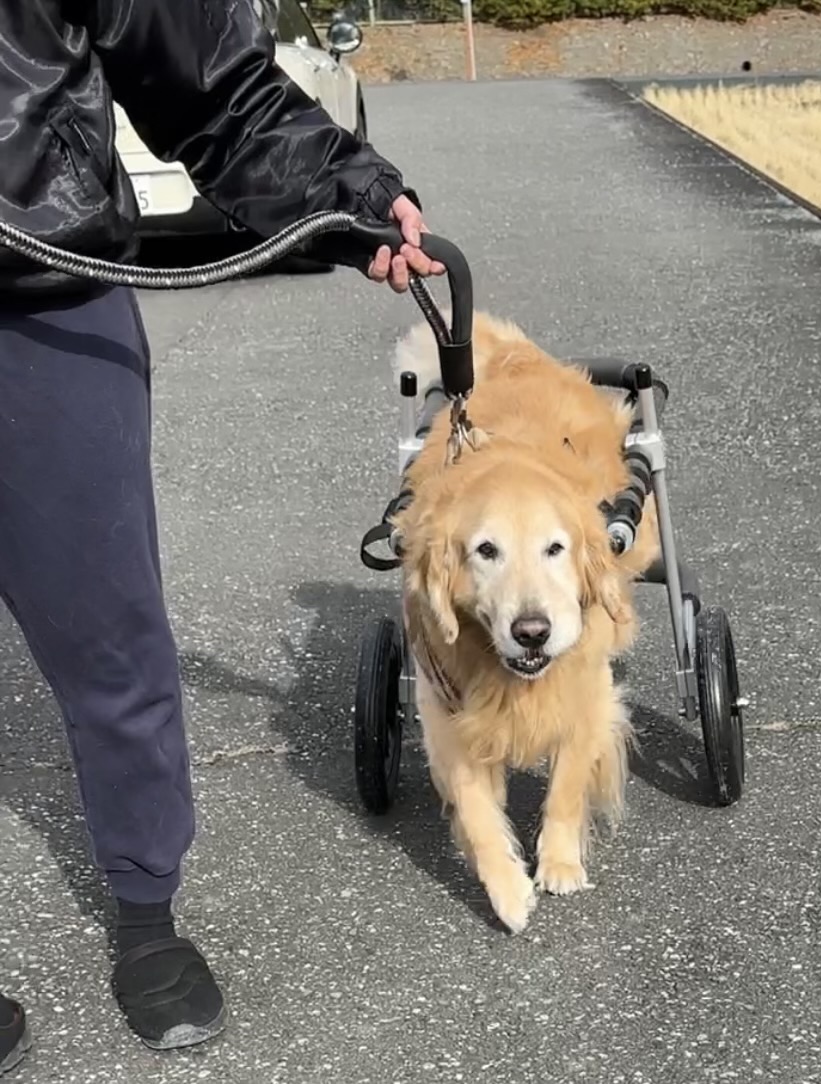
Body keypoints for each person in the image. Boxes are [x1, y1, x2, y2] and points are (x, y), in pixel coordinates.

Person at [0, 0, 445, 1070]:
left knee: (108, 623)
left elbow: (204, 75)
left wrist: (350, 196)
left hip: (44, 292)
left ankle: (146, 912)